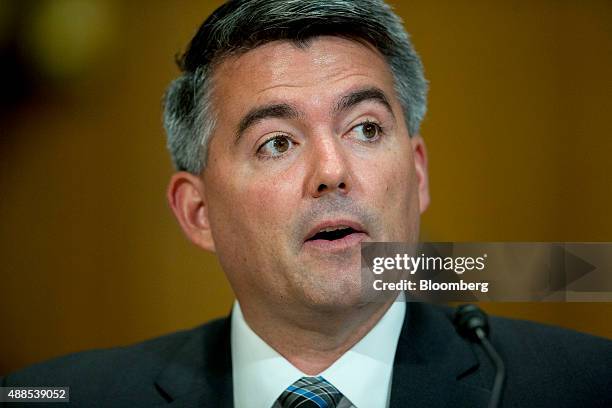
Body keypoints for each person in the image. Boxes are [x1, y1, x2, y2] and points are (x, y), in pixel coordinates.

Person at [2, 1, 610, 407]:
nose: (332, 171)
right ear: (197, 212)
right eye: (277, 143)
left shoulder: (581, 385)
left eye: (366, 129)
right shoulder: (54, 395)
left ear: (418, 174)